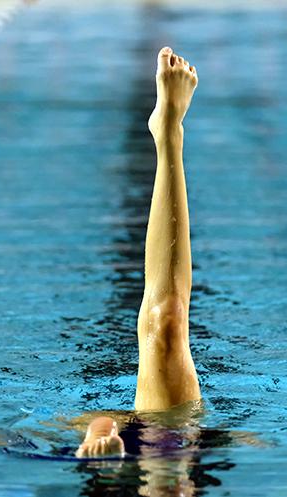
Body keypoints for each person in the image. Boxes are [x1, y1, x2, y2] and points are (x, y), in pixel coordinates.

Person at [76, 46, 201, 458]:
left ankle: (169, 136)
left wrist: (97, 432)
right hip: (180, 439)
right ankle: (169, 137)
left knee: (164, 321)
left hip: (133, 450)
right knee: (167, 320)